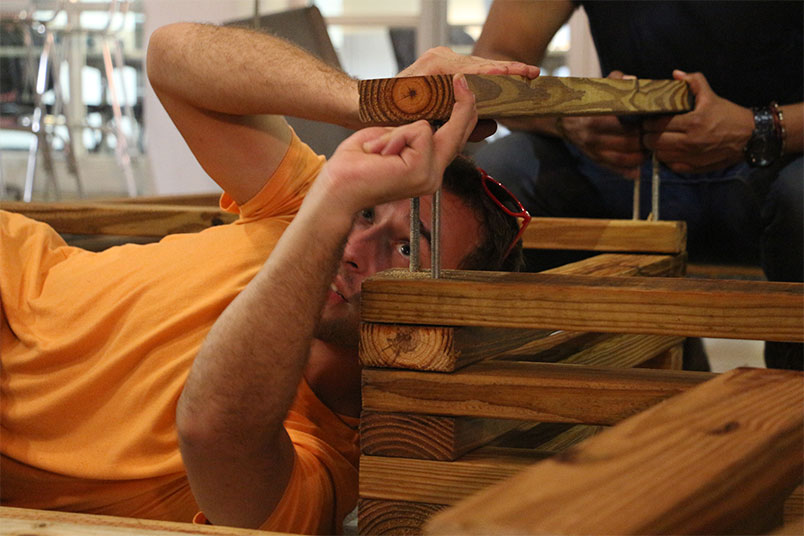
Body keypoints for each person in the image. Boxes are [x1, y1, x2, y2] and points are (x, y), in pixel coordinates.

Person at [0, 22, 538, 534]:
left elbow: (213, 431)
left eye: (404, 249)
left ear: (443, 321)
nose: (353, 249)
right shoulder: (304, 208)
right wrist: (373, 99)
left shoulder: (319, 464)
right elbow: (172, 55)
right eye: (369, 211)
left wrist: (342, 197)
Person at [472, 0, 803, 370]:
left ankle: (790, 397)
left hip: (782, 161)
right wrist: (568, 117)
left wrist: (762, 128)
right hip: (623, 169)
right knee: (497, 179)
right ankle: (501, 401)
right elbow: (495, 60)